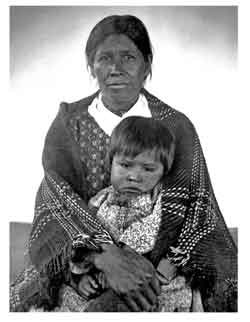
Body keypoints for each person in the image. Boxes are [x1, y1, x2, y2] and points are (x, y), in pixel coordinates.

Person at [10, 14, 237, 312]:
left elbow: (197, 206)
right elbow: (56, 199)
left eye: (128, 57)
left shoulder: (176, 126)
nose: (116, 68)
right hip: (86, 262)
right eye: (104, 58)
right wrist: (105, 258)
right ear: (91, 66)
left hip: (162, 270)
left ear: (146, 66)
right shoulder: (68, 124)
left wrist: (151, 272)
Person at [66, 116, 192, 312]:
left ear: (164, 172)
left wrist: (127, 251)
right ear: (110, 164)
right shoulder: (99, 200)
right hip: (106, 276)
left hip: (150, 279)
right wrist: (82, 276)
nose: (134, 176)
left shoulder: (162, 199)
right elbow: (86, 236)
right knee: (68, 297)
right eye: (125, 165)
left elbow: (165, 229)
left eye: (148, 169)